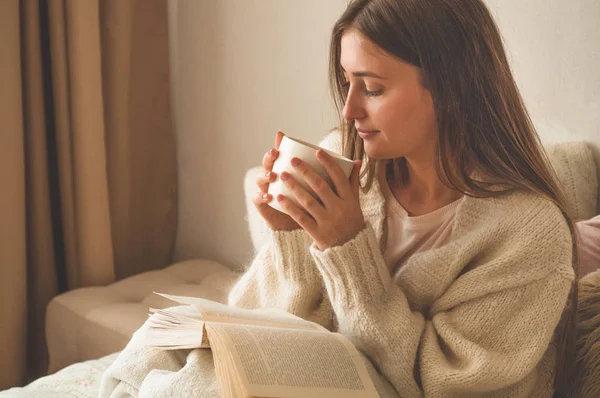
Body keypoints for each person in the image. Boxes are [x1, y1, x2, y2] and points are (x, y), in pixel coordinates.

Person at [100, 0, 579, 397]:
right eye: (348, 82)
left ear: (452, 90)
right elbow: (261, 333)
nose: (349, 110)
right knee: (160, 345)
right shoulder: (348, 165)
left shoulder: (528, 234)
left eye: (371, 88)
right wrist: (290, 241)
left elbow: (441, 383)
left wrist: (347, 246)